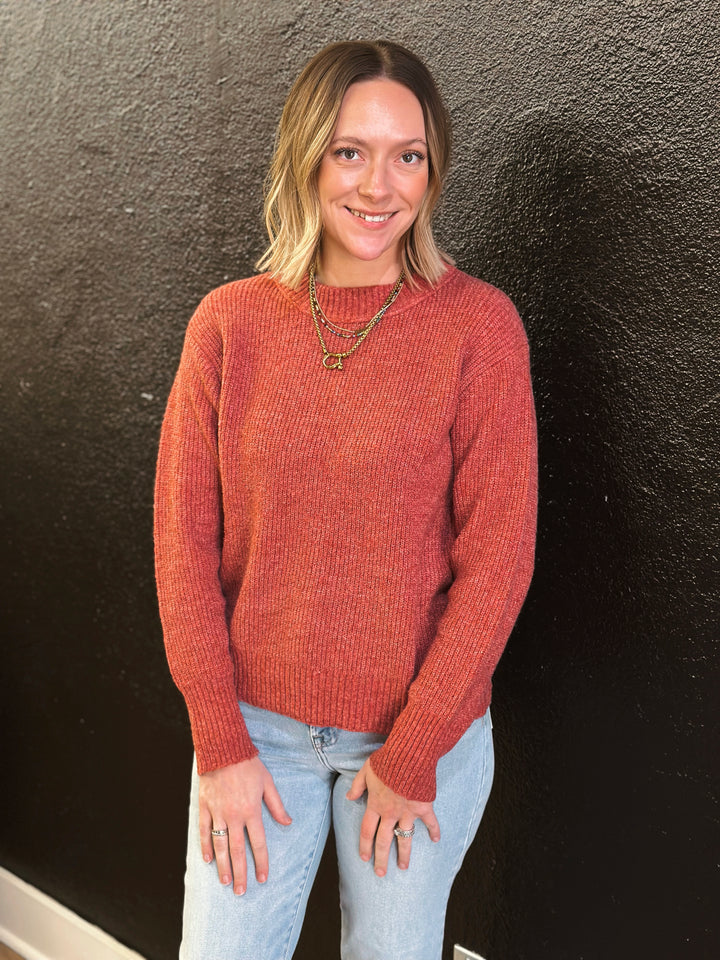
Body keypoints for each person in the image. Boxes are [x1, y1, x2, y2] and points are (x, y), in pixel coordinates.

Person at [154, 39, 537, 960]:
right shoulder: (228, 324)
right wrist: (221, 743)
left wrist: (414, 754)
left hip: (420, 743)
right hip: (256, 737)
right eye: (350, 151)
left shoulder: (478, 327)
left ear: (432, 170)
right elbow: (182, 546)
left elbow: (499, 559)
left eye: (407, 155)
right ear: (307, 159)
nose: (379, 186)